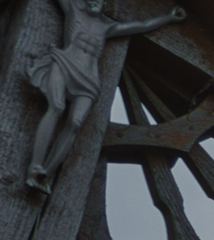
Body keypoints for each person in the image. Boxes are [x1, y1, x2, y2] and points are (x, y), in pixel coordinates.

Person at [26, 0, 188, 194]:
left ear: (105, 6)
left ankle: (46, 173)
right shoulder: (74, 12)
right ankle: (35, 166)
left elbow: (141, 26)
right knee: (56, 107)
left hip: (88, 78)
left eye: (99, 0)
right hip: (64, 63)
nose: (94, 2)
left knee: (76, 123)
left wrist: (168, 17)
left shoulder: (106, 27)